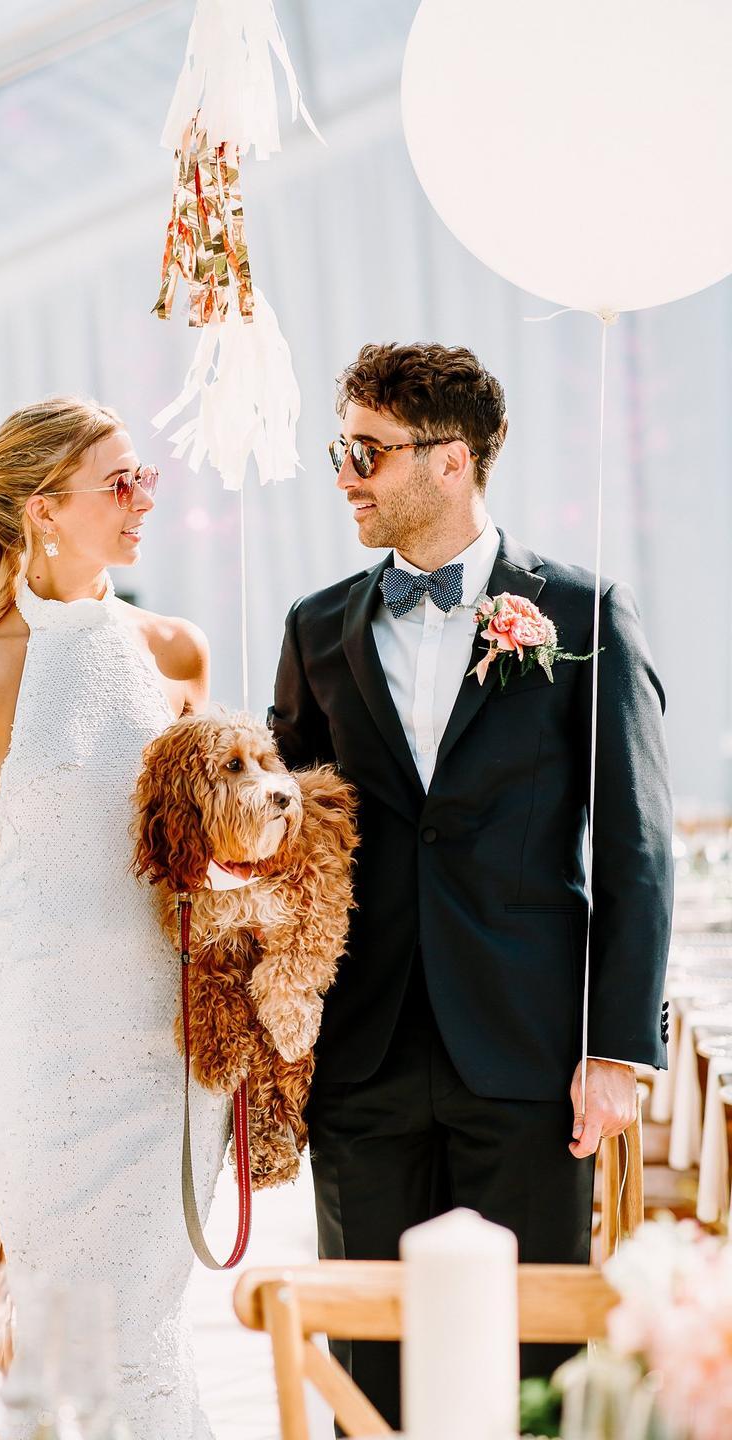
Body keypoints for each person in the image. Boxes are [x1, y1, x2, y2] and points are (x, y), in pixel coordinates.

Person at [269, 342, 673, 1427]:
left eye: (366, 451)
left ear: (449, 462)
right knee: (365, 1353)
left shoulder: (584, 615)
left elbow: (636, 845)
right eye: (339, 449)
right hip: (364, 1050)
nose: (345, 473)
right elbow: (293, 851)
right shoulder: (315, 631)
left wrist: (615, 1048)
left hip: (530, 1049)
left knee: (533, 1357)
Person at [0, 397, 230, 1439]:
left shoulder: (178, 653)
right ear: (45, 508)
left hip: (163, 1046)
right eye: (121, 482)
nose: (146, 497)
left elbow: (212, 847)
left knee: (146, 1325)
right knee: (65, 1328)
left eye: (144, 476)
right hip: (36, 1054)